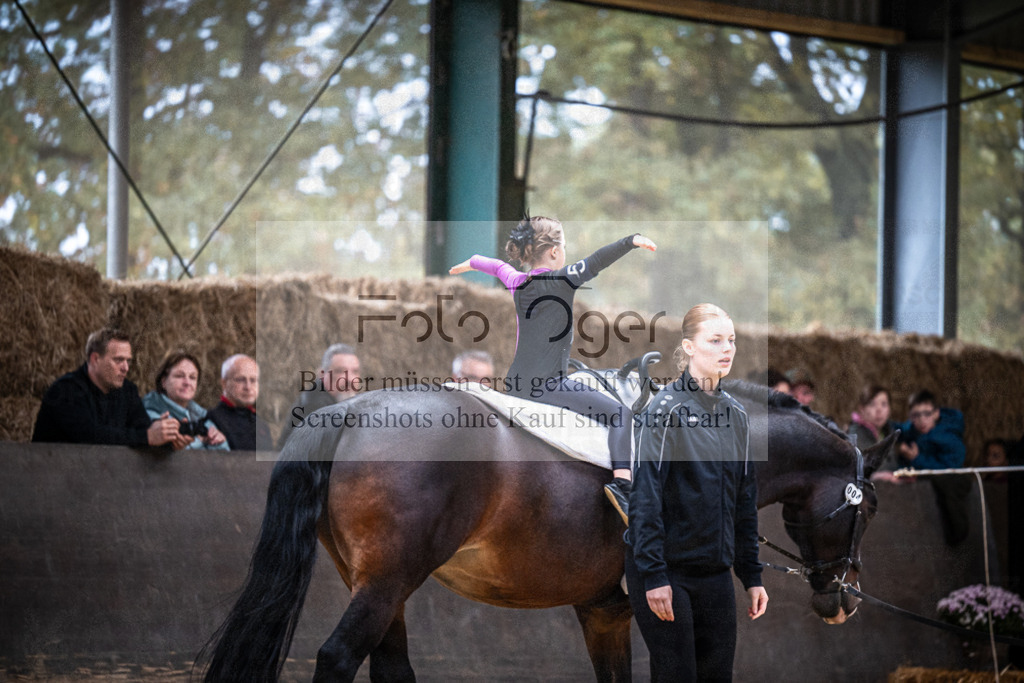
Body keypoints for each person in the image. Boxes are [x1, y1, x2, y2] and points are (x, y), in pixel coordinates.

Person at [449, 216, 656, 522]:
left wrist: (468, 263)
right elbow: (598, 260)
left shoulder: (515, 279)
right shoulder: (564, 279)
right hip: (548, 385)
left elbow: (492, 264)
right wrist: (630, 240)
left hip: (515, 384)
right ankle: (623, 484)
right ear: (555, 252)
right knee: (620, 414)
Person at [627, 303, 768, 682]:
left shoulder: (736, 416)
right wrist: (654, 576)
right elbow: (644, 498)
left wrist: (751, 574)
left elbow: (744, 501)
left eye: (732, 340)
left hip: (715, 574)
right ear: (688, 347)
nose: (727, 349)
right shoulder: (663, 410)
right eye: (716, 339)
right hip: (666, 573)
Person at [32, 327, 182, 448]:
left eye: (128, 361)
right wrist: (147, 436)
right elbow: (89, 436)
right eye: (118, 360)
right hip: (54, 476)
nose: (126, 368)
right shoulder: (65, 391)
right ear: (95, 359)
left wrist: (167, 436)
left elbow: (142, 430)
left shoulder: (128, 391)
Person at [897, 389, 969, 544]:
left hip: (948, 478)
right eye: (916, 415)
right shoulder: (913, 430)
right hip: (922, 477)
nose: (922, 420)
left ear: (936, 413)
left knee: (949, 485)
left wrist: (916, 458)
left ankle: (958, 533)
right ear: (911, 416)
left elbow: (948, 470)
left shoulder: (949, 437)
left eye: (927, 414)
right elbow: (899, 428)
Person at [277, 343, 362, 448]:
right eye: (340, 371)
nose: (350, 379)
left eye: (355, 371)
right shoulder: (314, 406)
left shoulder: (343, 404)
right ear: (322, 374)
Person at [143, 350, 228, 451]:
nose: (187, 382)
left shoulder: (202, 418)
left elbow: (225, 454)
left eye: (192, 377)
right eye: (179, 376)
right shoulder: (149, 415)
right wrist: (200, 441)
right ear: (164, 382)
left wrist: (218, 441)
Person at [207, 354, 273, 451]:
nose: (248, 387)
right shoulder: (212, 422)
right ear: (224, 383)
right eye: (241, 380)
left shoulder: (262, 426)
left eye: (253, 380)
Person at [848, 384, 901, 483]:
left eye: (884, 404)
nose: (879, 410)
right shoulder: (854, 436)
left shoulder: (889, 432)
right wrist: (874, 476)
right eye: (872, 404)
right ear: (862, 409)